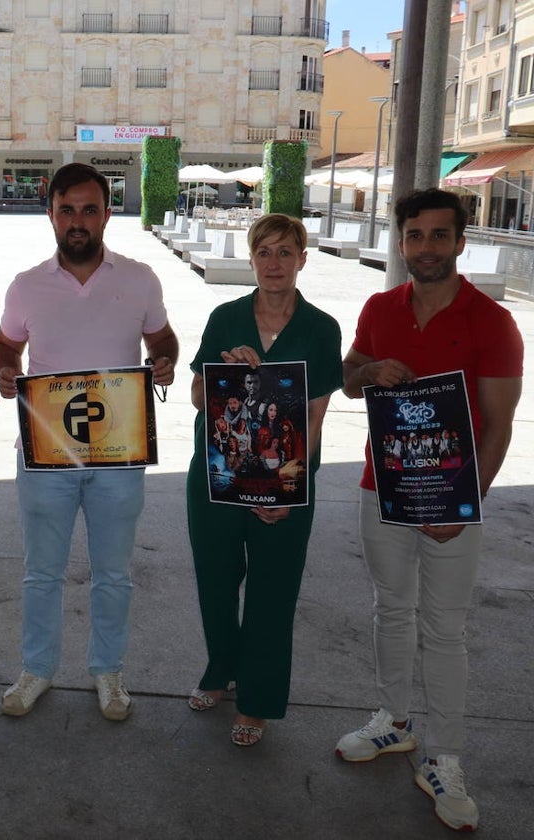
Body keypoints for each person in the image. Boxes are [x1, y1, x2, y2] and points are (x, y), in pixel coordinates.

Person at [334, 189, 523, 832]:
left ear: (460, 242)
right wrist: (369, 372)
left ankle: (445, 756)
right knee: (391, 608)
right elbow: (349, 375)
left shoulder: (493, 321)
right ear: (402, 242)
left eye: (439, 236)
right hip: (380, 485)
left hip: (451, 497)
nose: (427, 247)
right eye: (415, 236)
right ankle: (394, 721)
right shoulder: (380, 307)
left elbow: (498, 426)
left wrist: (467, 504)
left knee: (445, 628)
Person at [0, 162, 178, 721]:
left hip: (119, 450)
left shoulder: (140, 278)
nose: (78, 221)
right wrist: (5, 371)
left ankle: (108, 674)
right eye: (67, 209)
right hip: (45, 451)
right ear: (50, 214)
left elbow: (163, 337)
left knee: (114, 572)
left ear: (107, 214)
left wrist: (164, 361)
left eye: (89, 209)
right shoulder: (26, 285)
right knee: (41, 570)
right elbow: (4, 345)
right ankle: (37, 670)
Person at [185, 213, 342, 747]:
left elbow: (316, 415)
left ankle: (258, 699)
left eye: (285, 252)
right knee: (216, 579)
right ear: (251, 260)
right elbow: (196, 398)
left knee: (274, 591)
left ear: (303, 258)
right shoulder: (225, 318)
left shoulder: (321, 329)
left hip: (287, 480)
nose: (274, 263)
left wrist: (287, 492)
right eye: (264, 252)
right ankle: (220, 668)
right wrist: (227, 374)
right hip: (219, 476)